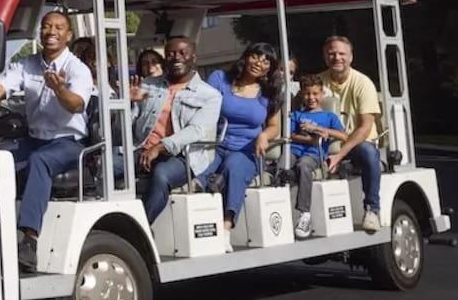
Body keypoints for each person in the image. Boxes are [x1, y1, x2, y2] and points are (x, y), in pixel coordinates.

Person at [0, 11, 95, 272]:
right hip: (33, 139)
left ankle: (29, 241)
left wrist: (60, 89)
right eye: (47, 26)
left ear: (68, 35)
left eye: (59, 27)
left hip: (68, 143)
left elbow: (76, 105)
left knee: (40, 161)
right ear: (40, 32)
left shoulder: (77, 69)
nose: (52, 31)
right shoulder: (25, 64)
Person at [126, 36, 223, 224]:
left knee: (161, 174)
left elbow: (196, 130)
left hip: (182, 156)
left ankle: (141, 228)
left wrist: (160, 147)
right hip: (140, 149)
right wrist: (128, 104)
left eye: (182, 53)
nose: (176, 58)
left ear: (193, 58)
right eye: (170, 54)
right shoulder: (148, 84)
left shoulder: (210, 95)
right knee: (105, 165)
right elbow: (125, 128)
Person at [207, 43, 283, 238]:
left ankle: (227, 226)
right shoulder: (220, 79)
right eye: (256, 56)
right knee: (197, 172)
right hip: (214, 145)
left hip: (247, 150)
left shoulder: (268, 93)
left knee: (234, 166)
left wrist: (264, 136)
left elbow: (274, 126)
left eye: (267, 61)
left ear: (270, 68)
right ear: (246, 57)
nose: (259, 63)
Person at [319, 36, 383, 232]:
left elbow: (365, 127)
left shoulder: (363, 83)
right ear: (325, 56)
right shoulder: (318, 83)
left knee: (369, 153)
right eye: (331, 53)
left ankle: (372, 209)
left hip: (356, 143)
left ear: (351, 57)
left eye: (341, 53)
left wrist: (339, 155)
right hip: (325, 141)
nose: (336, 57)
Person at [288, 73, 347, 239]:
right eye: (307, 94)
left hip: (314, 154)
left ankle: (304, 214)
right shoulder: (297, 115)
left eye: (315, 94)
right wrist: (309, 138)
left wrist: (320, 131)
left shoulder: (329, 117)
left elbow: (344, 136)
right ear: (301, 95)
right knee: (282, 168)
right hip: (294, 150)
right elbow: (291, 136)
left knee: (303, 166)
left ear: (322, 94)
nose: (311, 98)